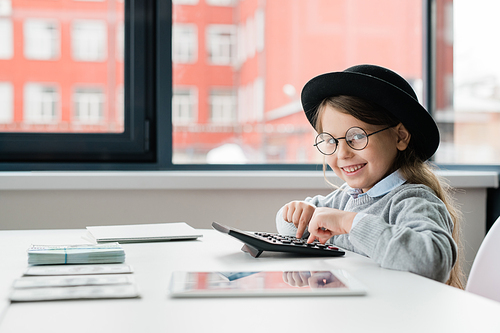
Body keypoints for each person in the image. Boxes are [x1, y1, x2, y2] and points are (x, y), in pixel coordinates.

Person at [276, 64, 463, 288]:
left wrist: (349, 222)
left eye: (357, 136)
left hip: (400, 317)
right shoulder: (344, 198)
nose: (343, 153)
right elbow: (287, 228)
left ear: (400, 137)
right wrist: (298, 214)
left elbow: (431, 262)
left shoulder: (413, 201)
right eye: (331, 141)